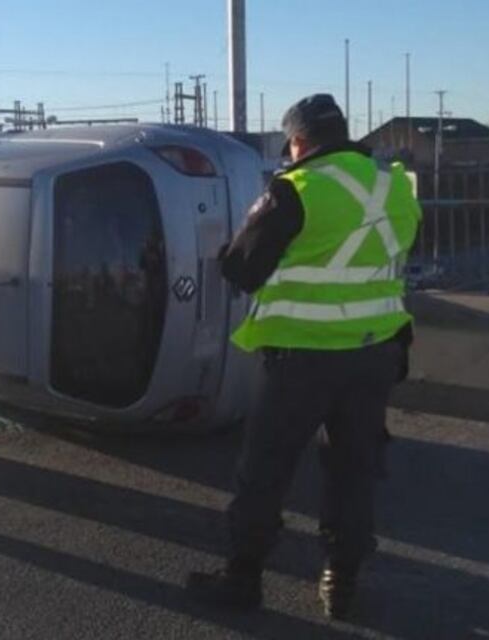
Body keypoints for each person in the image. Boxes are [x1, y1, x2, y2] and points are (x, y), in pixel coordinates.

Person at [187, 94, 422, 618]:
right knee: (354, 468)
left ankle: (243, 578)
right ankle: (341, 582)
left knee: (267, 467)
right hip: (376, 351)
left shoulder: (294, 189)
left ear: (298, 141)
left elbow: (242, 270)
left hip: (303, 358)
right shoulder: (394, 187)